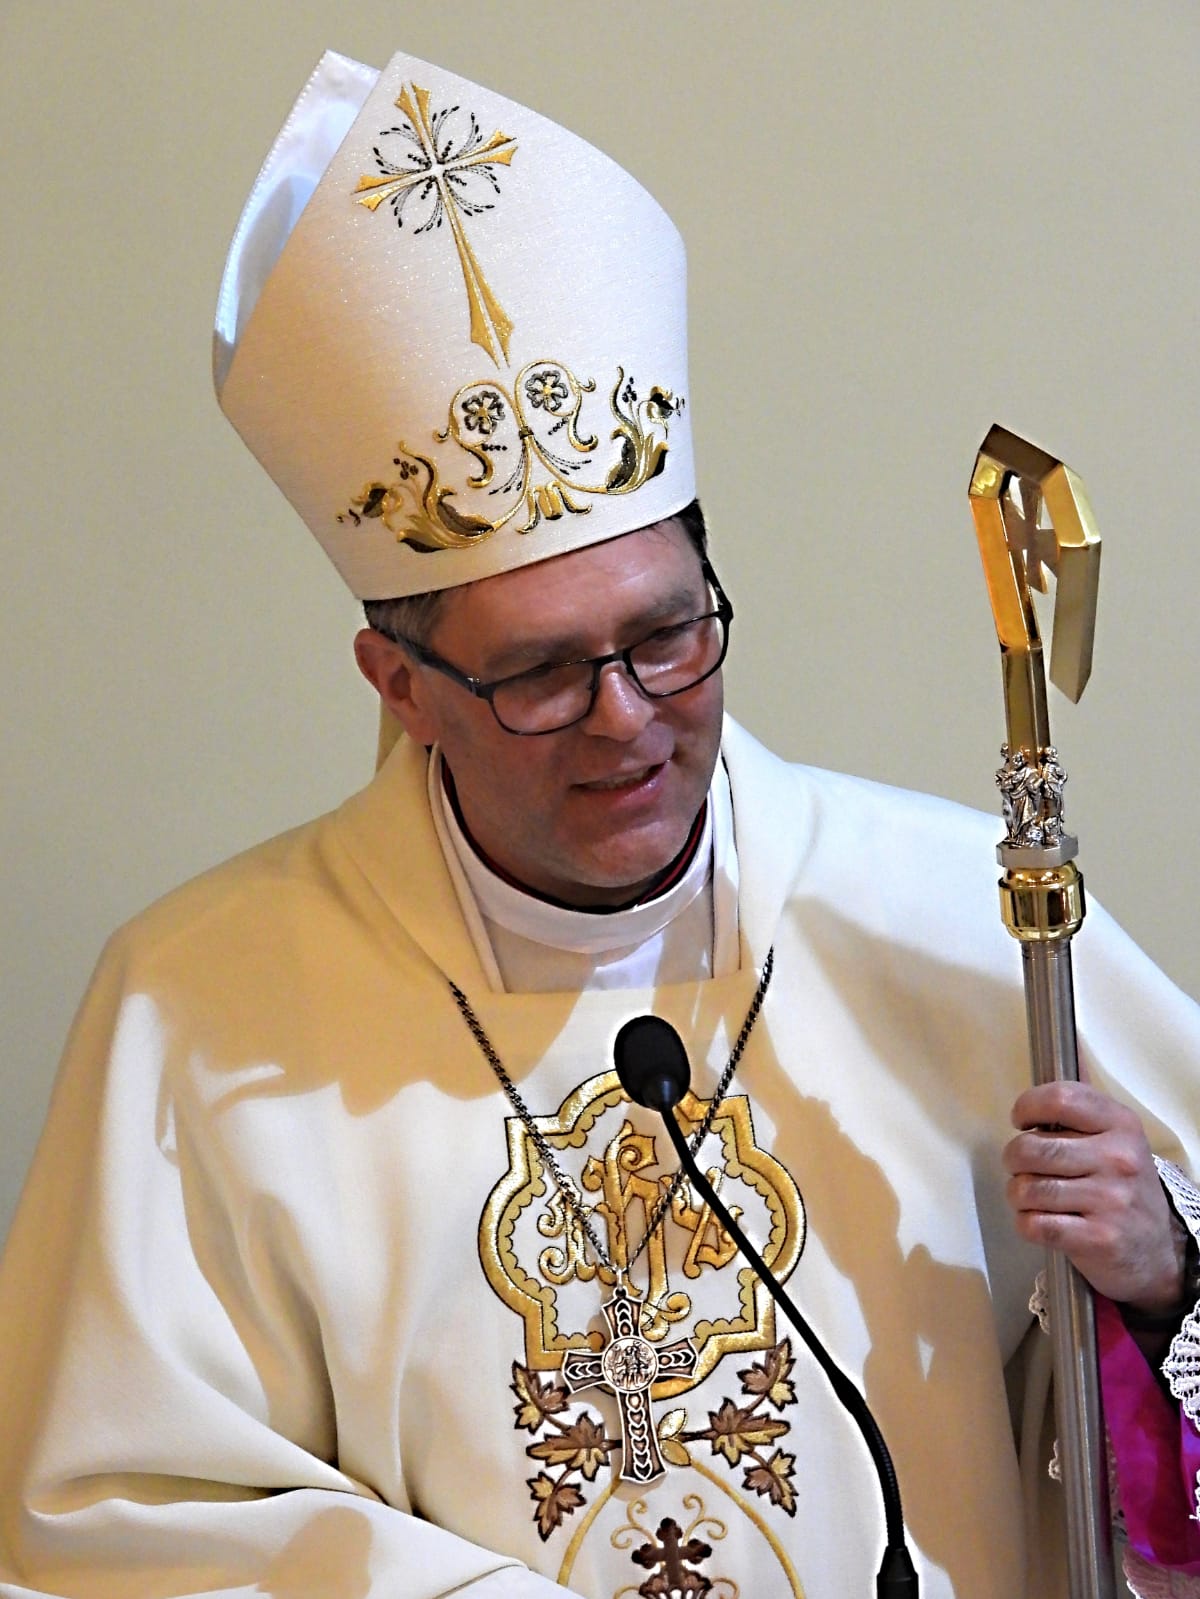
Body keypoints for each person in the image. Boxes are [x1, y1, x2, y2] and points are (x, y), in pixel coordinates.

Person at [1, 47, 1199, 1599]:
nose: (629, 717)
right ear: (400, 681)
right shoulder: (202, 1006)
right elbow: (109, 1525)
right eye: (540, 675)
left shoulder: (947, 913)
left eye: (666, 636)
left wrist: (1161, 1283)